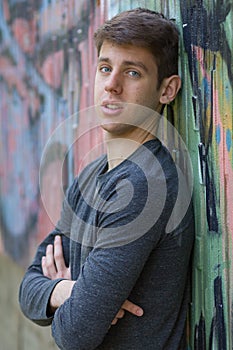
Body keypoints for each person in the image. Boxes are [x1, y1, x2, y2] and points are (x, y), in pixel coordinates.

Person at [19, 8, 194, 350]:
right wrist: (68, 290)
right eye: (105, 68)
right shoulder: (91, 175)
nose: (112, 85)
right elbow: (27, 289)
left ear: (167, 90)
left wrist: (70, 298)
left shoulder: (147, 187)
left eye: (132, 72)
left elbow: (74, 333)